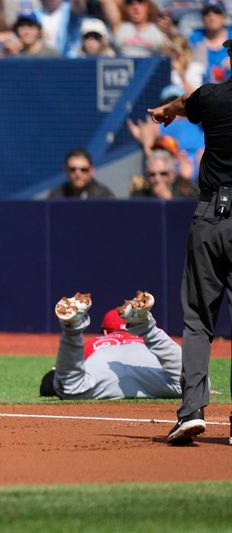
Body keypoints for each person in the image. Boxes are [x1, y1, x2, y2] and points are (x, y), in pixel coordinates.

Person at [147, 41, 232, 445]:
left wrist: (166, 111)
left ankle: (191, 412)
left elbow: (184, 102)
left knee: (198, 319)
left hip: (211, 216)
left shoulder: (213, 97)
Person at [40, 291, 182, 400]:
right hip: (151, 375)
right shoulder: (146, 343)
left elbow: (47, 384)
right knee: (192, 386)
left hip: (103, 378)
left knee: (70, 388)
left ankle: (73, 328)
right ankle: (146, 326)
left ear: (105, 331)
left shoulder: (95, 343)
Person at [102, 0, 168, 58]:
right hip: (124, 69)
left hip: (149, 69)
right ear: (126, 8)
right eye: (130, 3)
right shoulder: (119, 27)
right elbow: (105, 1)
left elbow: (170, 57)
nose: (135, 7)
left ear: (147, 6)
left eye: (140, 1)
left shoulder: (158, 29)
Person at [189, 0, 231, 85]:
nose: (211, 16)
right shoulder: (195, 38)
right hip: (202, 89)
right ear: (202, 18)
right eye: (206, 13)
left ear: (224, 16)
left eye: (216, 11)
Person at [47, 147, 115, 199]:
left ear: (92, 171)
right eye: (72, 169)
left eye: (83, 169)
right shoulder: (57, 196)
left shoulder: (104, 196)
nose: (78, 174)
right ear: (66, 170)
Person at [129, 148, 198, 199]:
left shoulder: (185, 197)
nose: (157, 179)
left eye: (163, 174)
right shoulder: (139, 198)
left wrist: (169, 199)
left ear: (172, 175)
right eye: (152, 174)